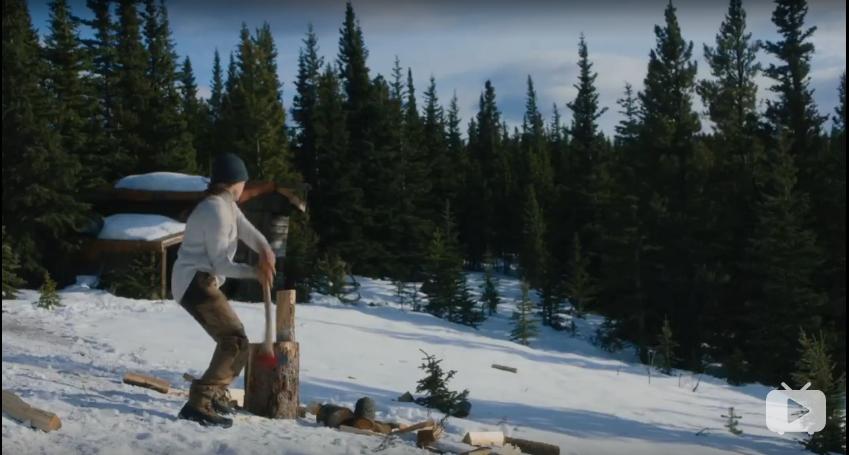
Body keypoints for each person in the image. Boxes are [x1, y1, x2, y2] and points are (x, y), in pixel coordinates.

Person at [170, 152, 276, 428]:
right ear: (235, 182)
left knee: (234, 341)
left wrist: (265, 250)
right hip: (194, 282)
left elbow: (248, 231)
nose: (244, 187)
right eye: (243, 182)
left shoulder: (227, 206)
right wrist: (255, 272)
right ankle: (200, 402)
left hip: (201, 281)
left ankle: (213, 395)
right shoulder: (215, 209)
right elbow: (221, 263)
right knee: (235, 340)